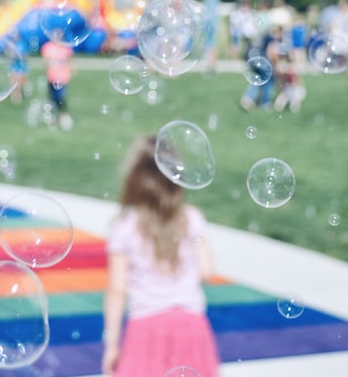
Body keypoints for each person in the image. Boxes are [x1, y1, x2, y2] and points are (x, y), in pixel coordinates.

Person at [102, 135, 220, 376]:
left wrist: (112, 345)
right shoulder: (193, 218)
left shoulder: (124, 227)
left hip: (145, 329)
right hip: (191, 327)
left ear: (134, 178)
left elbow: (117, 289)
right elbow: (207, 272)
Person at [40, 40, 74, 130]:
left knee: (60, 97)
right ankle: (54, 118)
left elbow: (70, 60)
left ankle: (64, 116)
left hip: (62, 77)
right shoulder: (48, 47)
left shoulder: (65, 47)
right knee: (52, 99)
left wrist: (71, 70)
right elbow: (45, 61)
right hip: (51, 77)